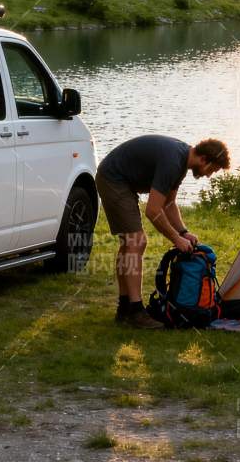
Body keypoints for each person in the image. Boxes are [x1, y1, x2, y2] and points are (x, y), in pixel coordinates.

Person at [96, 134, 230, 328]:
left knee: (130, 243)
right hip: (113, 179)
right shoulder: (173, 161)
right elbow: (152, 210)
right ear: (204, 159)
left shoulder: (182, 162)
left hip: (123, 182)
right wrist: (176, 239)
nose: (209, 175)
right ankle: (134, 311)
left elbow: (168, 204)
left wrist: (183, 232)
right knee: (136, 241)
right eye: (213, 169)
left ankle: (125, 309)